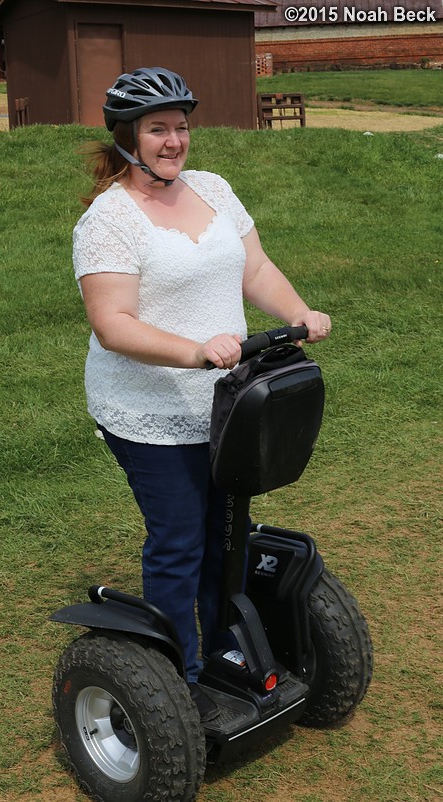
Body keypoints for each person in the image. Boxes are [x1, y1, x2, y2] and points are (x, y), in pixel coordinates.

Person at [72, 67, 331, 722]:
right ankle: (175, 684)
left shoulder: (212, 190)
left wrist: (302, 312)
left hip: (229, 401)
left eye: (180, 126)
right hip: (149, 412)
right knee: (180, 539)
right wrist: (193, 351)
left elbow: (256, 267)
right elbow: (113, 324)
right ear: (128, 137)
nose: (173, 140)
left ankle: (226, 650)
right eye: (157, 128)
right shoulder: (108, 219)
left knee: (228, 533)